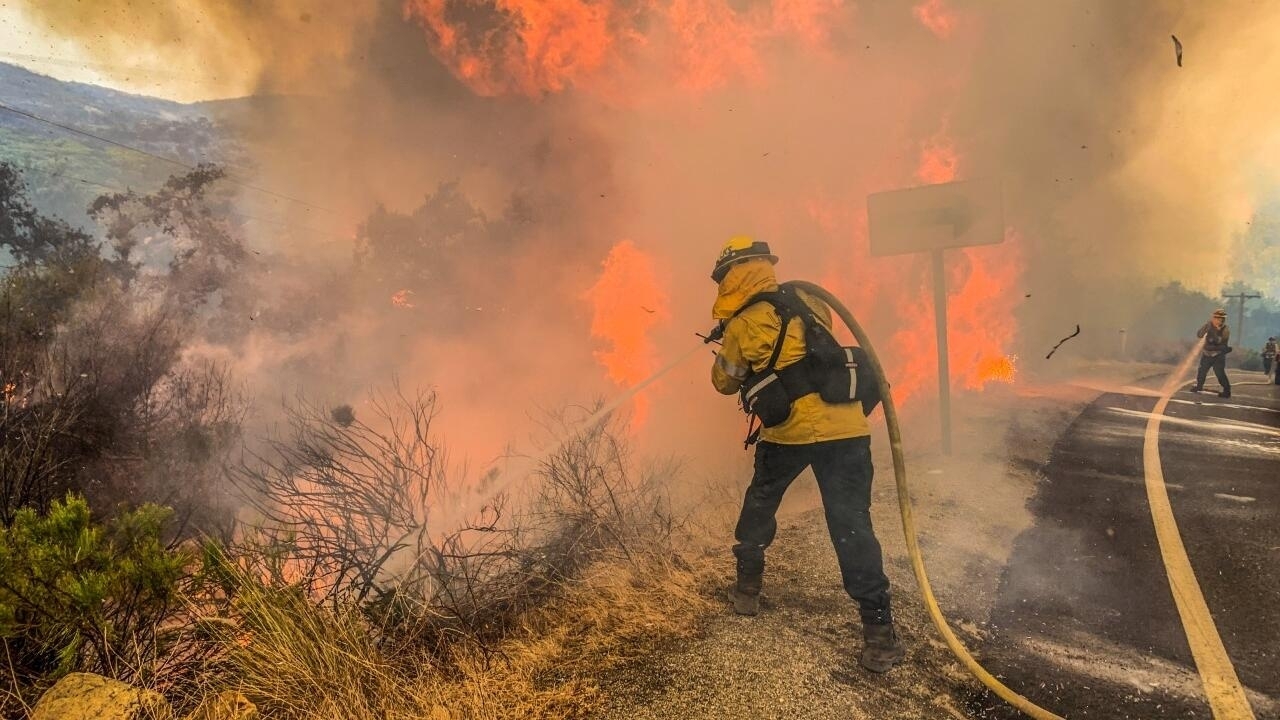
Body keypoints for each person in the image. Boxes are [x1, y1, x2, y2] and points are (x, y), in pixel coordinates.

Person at [707, 236, 904, 673]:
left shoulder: (742, 324)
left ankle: (747, 590)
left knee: (761, 502)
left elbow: (725, 382)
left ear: (730, 276)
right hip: (848, 430)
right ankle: (879, 635)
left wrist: (728, 343)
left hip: (789, 434)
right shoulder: (809, 298)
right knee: (852, 525)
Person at [1192, 308, 1231, 398]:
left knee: (1220, 373)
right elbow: (1199, 335)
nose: (1218, 320)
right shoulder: (1209, 325)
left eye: (1220, 318)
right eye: (1216, 318)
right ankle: (1199, 386)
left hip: (1218, 355)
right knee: (1202, 371)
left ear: (1223, 320)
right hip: (1207, 353)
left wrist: (1213, 331)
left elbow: (1218, 341)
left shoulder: (1225, 330)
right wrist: (1206, 327)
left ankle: (1227, 391)